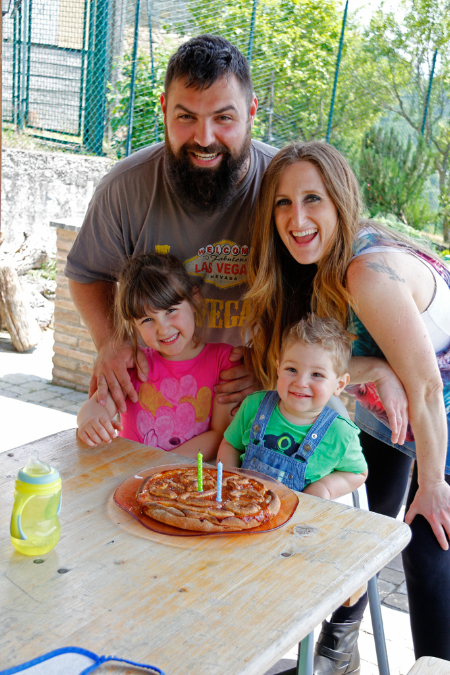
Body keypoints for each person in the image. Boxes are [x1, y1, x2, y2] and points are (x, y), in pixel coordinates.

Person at [245, 141, 450, 669]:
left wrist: (431, 483)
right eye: (283, 203)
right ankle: (338, 649)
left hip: (437, 408)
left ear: (340, 200)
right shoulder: (307, 268)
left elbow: (426, 387)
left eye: (312, 199)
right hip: (393, 411)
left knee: (427, 543)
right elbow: (302, 361)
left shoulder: (367, 272)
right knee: (364, 532)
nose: (297, 218)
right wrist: (376, 369)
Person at [65, 34, 277, 416]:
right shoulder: (124, 187)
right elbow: (87, 274)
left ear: (251, 112)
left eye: (224, 118)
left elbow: (324, 285)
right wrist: (111, 341)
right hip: (156, 406)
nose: (204, 138)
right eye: (186, 117)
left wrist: (273, 363)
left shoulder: (287, 187)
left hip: (255, 407)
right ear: (164, 110)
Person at [77, 253, 235, 460]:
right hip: (132, 474)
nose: (163, 329)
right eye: (147, 319)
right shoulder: (131, 365)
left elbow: (220, 434)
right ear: (134, 324)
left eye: (170, 310)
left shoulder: (223, 361)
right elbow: (96, 406)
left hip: (187, 478)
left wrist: (161, 465)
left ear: (194, 299)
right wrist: (90, 420)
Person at [217, 315, 368, 500]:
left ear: (339, 384)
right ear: (278, 368)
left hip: (299, 516)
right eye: (292, 370)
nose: (301, 382)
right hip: (243, 506)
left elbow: (358, 473)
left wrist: (325, 488)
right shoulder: (253, 406)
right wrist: (229, 479)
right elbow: (231, 444)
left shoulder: (341, 434)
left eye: (317, 374)